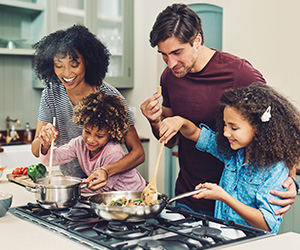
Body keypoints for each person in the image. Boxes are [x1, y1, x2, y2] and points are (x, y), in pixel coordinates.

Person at [140, 3, 297, 215]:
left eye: (177, 52)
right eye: (164, 55)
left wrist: (291, 178)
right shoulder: (169, 77)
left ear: (197, 40)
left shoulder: (240, 73)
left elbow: (278, 128)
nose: (171, 63)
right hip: (189, 197)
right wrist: (154, 121)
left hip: (240, 207)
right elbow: (170, 142)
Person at [159, 83, 300, 233]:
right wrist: (180, 121)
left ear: (258, 127)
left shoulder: (275, 169)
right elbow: (195, 134)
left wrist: (224, 197)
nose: (226, 133)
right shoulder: (232, 151)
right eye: (225, 125)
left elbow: (266, 223)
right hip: (223, 236)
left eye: (234, 128)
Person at [31, 25, 145, 191]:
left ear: (88, 62)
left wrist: (106, 171)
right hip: (75, 186)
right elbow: (36, 151)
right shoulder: (51, 94)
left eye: (74, 64)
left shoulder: (110, 97)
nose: (66, 73)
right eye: (59, 65)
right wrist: (44, 140)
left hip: (107, 190)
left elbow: (138, 153)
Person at [39, 90, 146, 192]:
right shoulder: (79, 144)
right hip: (109, 196)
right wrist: (46, 145)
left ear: (111, 134)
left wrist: (68, 183)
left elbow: (102, 187)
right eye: (87, 131)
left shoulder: (112, 152)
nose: (90, 140)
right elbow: (49, 160)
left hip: (133, 193)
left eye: (99, 136)